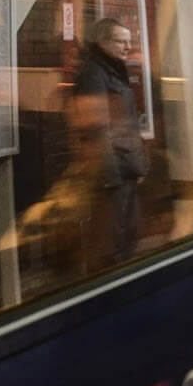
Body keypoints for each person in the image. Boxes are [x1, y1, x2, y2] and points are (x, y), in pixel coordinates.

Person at [74, 17, 148, 268]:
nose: (128, 47)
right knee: (111, 247)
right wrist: (110, 178)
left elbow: (126, 125)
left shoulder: (114, 71)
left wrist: (138, 167)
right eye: (121, 41)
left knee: (129, 237)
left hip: (125, 170)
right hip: (112, 175)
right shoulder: (93, 75)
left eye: (130, 41)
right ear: (103, 42)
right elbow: (97, 130)